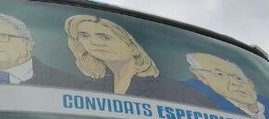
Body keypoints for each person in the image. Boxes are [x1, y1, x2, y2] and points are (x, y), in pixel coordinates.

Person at [64, 14, 212, 104]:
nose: (94, 43)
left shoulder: (178, 93)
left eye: (104, 37)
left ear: (133, 48)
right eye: (84, 36)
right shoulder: (88, 91)